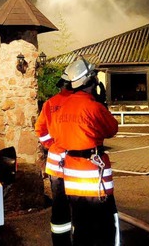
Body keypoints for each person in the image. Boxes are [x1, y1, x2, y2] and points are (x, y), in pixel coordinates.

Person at [47, 56, 120, 245]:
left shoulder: (61, 108)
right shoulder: (93, 107)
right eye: (94, 76)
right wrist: (102, 105)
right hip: (94, 179)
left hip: (71, 177)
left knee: (80, 226)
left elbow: (56, 136)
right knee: (105, 228)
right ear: (89, 80)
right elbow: (112, 129)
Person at [35, 76, 73, 246]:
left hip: (56, 166)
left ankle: (60, 241)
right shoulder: (80, 103)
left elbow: (40, 130)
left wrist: (52, 144)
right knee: (80, 204)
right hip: (77, 165)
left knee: (59, 206)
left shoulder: (50, 103)